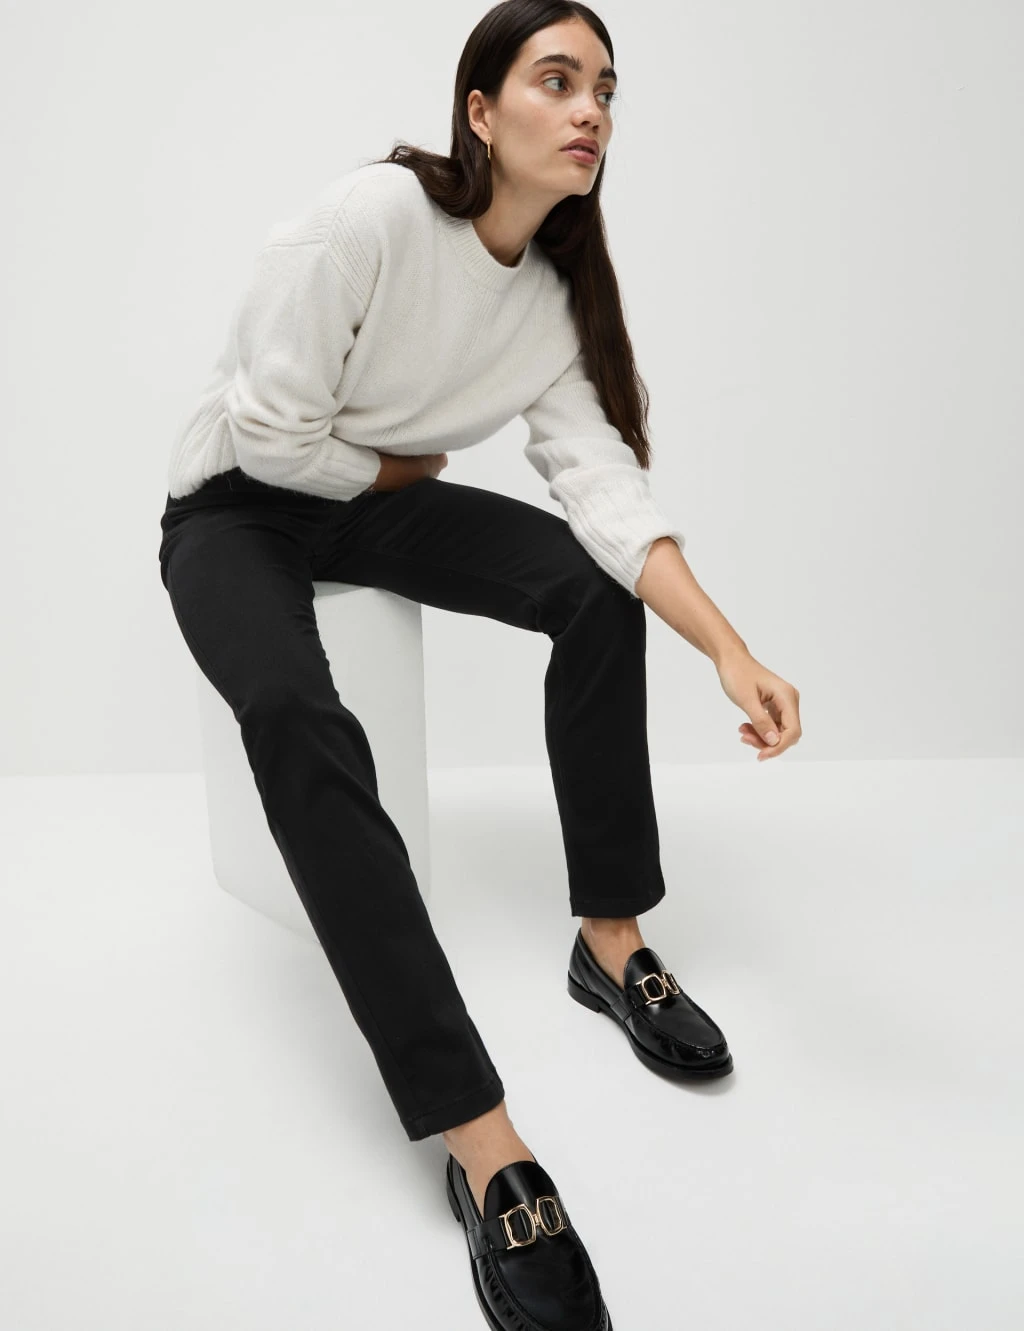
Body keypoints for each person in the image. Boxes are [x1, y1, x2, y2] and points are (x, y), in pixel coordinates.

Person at [157, 3, 802, 1326]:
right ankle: (482, 1138)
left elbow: (602, 493)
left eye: (605, 90)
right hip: (236, 508)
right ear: (480, 110)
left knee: (589, 592)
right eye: (556, 81)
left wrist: (730, 648)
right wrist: (398, 469)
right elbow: (268, 436)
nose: (589, 111)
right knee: (297, 713)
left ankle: (611, 941)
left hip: (364, 498)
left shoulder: (554, 302)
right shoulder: (371, 220)